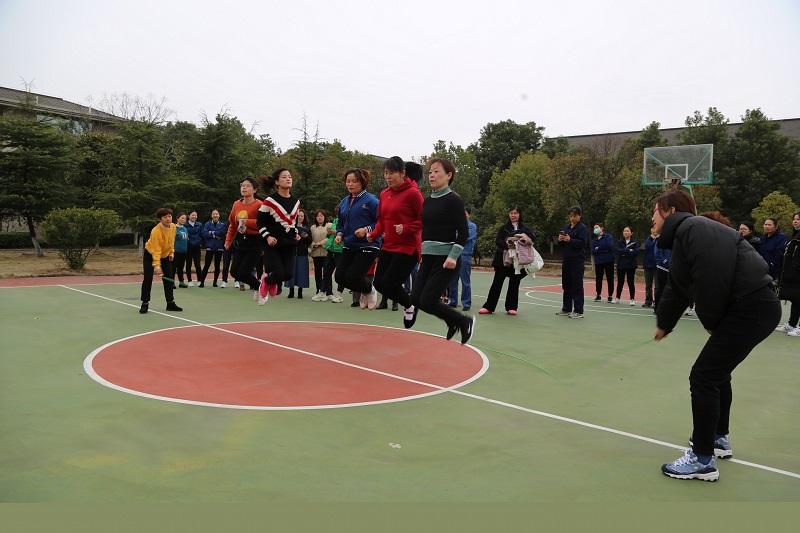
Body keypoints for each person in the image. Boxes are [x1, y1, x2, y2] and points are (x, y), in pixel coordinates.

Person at [652, 191, 780, 482]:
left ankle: (702, 459)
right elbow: (678, 286)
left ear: (670, 210)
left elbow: (712, 279)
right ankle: (718, 439)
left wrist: (711, 321)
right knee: (717, 374)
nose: (652, 217)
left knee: (704, 376)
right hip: (753, 306)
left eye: (655, 211)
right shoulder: (688, 233)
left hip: (751, 306)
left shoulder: (694, 228)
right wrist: (665, 323)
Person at [410, 158, 474, 343]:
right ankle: (452, 322)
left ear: (449, 176)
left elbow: (463, 231)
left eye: (437, 171)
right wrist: (423, 254)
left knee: (427, 300)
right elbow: (426, 231)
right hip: (428, 258)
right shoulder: (428, 201)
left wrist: (453, 256)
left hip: (446, 260)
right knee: (416, 298)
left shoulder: (453, 200)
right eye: (430, 172)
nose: (432, 175)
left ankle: (463, 321)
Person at [368, 157, 423, 318]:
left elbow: (424, 219)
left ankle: (409, 306)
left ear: (402, 173)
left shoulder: (413, 193)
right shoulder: (384, 194)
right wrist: (374, 234)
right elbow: (382, 220)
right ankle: (410, 305)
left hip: (407, 247)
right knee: (378, 284)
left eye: (391, 173)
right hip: (388, 245)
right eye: (386, 173)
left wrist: (406, 228)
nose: (388, 177)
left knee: (389, 283)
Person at [334, 168, 381, 310]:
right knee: (339, 277)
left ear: (362, 182)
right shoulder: (344, 202)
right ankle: (365, 290)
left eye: (354, 181)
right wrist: (339, 234)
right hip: (349, 245)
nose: (350, 184)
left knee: (352, 276)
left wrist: (366, 229)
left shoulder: (372, 200)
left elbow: (381, 221)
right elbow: (341, 222)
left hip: (368, 244)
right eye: (348, 181)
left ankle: (370, 289)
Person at [478, 206, 535, 315]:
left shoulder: (525, 229)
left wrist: (522, 241)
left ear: (520, 215)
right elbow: (498, 241)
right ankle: (489, 307)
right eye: (511, 213)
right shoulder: (504, 228)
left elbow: (532, 239)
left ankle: (511, 307)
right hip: (503, 260)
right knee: (497, 283)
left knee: (514, 283)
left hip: (517, 261)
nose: (513, 215)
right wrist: (507, 245)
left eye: (515, 213)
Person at [257, 168, 301, 305]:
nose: (288, 179)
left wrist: (296, 234)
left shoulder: (296, 201)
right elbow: (260, 221)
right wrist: (268, 237)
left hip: (289, 243)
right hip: (273, 243)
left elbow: (292, 223)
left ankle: (269, 280)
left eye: (290, 176)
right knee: (280, 273)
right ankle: (266, 282)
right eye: (284, 177)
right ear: (277, 182)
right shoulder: (270, 201)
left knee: (289, 274)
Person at [224, 177, 264, 299]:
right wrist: (228, 241)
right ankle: (259, 286)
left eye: (248, 185)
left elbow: (263, 224)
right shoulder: (236, 204)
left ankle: (259, 288)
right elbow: (233, 225)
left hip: (255, 241)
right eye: (242, 185)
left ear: (255, 190)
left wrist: (247, 221)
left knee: (244, 272)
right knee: (234, 272)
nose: (244, 188)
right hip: (242, 241)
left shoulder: (260, 205)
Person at [139, 208, 183, 314]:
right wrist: (157, 266)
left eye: (169, 216)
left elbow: (171, 240)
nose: (168, 219)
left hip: (165, 255)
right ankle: (145, 303)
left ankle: (170, 303)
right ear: (160, 219)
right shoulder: (156, 231)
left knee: (169, 278)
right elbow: (156, 250)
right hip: (151, 255)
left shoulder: (173, 227)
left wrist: (171, 252)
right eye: (165, 217)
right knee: (148, 278)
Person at [555, 206, 589, 319]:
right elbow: (561, 245)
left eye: (574, 216)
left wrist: (570, 240)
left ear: (580, 216)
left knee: (577, 285)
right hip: (566, 259)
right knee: (566, 284)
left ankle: (578, 310)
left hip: (577, 260)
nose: (572, 218)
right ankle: (566, 308)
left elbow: (583, 243)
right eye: (570, 216)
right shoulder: (566, 227)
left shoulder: (582, 228)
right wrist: (561, 239)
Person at [775, 212, 800, 337]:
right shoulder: (794, 237)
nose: (795, 221)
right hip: (793, 276)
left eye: (798, 219)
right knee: (796, 299)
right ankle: (792, 324)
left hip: (797, 275)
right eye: (794, 219)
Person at [448, 207, 478, 311]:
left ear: (469, 215)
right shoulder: (455, 225)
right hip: (453, 255)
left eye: (465, 214)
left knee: (465, 280)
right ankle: (453, 301)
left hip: (465, 255)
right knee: (452, 279)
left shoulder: (472, 226)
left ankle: (466, 303)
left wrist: (455, 237)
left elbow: (465, 237)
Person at [285, 208, 311, 299]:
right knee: (291, 272)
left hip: (302, 254)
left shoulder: (307, 228)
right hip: (292, 253)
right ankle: (291, 291)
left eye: (302, 216)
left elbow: (309, 241)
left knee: (301, 273)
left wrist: (306, 237)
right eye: (299, 216)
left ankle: (300, 292)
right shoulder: (291, 227)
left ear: (304, 217)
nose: (300, 218)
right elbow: (286, 239)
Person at [321, 205, 345, 303]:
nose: (338, 214)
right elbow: (329, 236)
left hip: (340, 250)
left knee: (340, 273)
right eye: (337, 213)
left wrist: (337, 233)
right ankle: (322, 293)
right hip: (331, 249)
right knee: (326, 271)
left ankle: (339, 294)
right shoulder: (334, 221)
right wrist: (330, 232)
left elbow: (348, 234)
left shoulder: (347, 221)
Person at [198, 209, 227, 288]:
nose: (215, 215)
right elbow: (205, 234)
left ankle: (215, 282)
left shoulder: (222, 225)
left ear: (219, 215)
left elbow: (222, 234)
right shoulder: (207, 224)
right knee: (207, 265)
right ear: (211, 215)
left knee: (217, 265)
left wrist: (212, 232)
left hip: (219, 248)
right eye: (214, 214)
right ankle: (202, 282)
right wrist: (215, 235)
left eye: (216, 214)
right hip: (210, 247)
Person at [612, 226, 639, 306]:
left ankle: (632, 299)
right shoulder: (620, 242)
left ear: (631, 233)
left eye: (627, 231)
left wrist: (625, 254)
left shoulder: (634, 242)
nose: (625, 232)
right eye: (624, 231)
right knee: (620, 282)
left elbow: (635, 252)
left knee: (630, 282)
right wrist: (627, 250)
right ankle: (617, 298)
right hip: (621, 265)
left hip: (631, 265)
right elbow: (618, 251)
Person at [310, 209, 331, 301]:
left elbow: (330, 238)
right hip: (316, 254)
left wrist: (321, 243)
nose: (319, 218)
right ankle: (319, 290)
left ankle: (329, 292)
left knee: (327, 273)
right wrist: (313, 244)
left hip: (326, 253)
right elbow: (310, 239)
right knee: (318, 273)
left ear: (324, 217)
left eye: (321, 216)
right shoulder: (312, 228)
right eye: (318, 216)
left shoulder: (329, 226)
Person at [590, 223, 614, 303]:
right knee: (598, 278)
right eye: (594, 228)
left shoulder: (608, 237)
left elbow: (609, 246)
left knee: (610, 278)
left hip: (608, 260)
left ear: (602, 228)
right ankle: (598, 295)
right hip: (599, 261)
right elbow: (593, 250)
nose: (595, 229)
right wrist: (601, 249)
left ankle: (610, 296)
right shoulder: (594, 240)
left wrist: (598, 248)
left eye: (597, 227)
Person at [758, 217, 787, 285]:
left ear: (776, 227)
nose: (767, 227)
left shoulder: (781, 237)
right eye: (765, 224)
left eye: (769, 225)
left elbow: (779, 254)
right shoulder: (763, 238)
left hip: (773, 270)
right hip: (761, 269)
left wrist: (772, 265)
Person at [184, 211, 203, 286]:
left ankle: (199, 280)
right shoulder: (185, 225)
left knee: (197, 264)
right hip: (188, 247)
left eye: (195, 215)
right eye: (192, 215)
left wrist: (200, 243)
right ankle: (189, 280)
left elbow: (201, 234)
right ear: (189, 216)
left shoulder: (199, 224)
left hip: (197, 247)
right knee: (188, 264)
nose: (194, 217)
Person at [641, 226, 657, 308]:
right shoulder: (648, 240)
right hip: (648, 265)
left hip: (657, 266)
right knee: (648, 284)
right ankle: (648, 300)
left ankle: (657, 301)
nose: (654, 230)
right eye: (653, 228)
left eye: (656, 228)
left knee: (657, 285)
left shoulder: (661, 239)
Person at [173, 212, 189, 288]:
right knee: (173, 267)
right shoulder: (174, 228)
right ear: (177, 218)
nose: (184, 220)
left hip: (183, 251)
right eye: (182, 218)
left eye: (185, 219)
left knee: (181, 268)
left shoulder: (185, 229)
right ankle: (171, 282)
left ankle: (181, 282)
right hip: (176, 251)